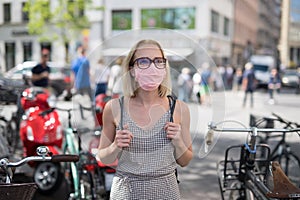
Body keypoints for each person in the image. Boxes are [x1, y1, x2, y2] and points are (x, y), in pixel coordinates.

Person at [97, 39, 193, 199]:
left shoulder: (179, 108)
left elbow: (185, 161)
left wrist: (178, 142)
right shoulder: (114, 107)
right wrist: (115, 146)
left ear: (164, 67)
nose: (152, 67)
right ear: (132, 69)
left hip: (166, 193)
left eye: (158, 61)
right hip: (125, 194)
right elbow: (104, 158)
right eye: (143, 62)